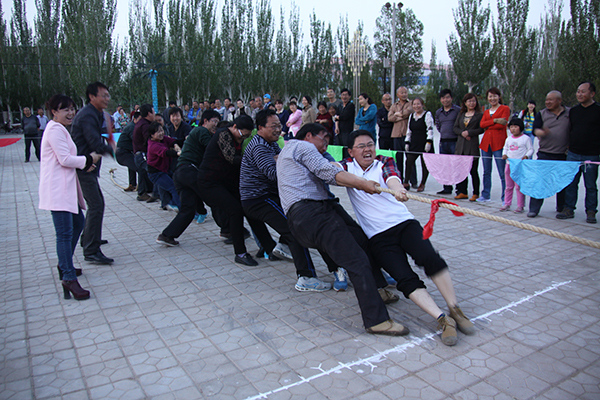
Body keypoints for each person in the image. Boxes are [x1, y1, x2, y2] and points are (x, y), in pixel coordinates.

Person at [338, 130, 475, 345]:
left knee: (430, 258)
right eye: (361, 146)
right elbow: (331, 171)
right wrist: (361, 182)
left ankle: (455, 309)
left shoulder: (384, 161)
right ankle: (442, 319)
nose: (367, 149)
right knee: (404, 278)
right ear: (351, 151)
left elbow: (392, 178)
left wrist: (398, 188)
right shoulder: (346, 166)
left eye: (370, 144)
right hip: (378, 237)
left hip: (404, 224)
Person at [276, 123, 409, 336]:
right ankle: (376, 320)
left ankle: (378, 289)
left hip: (320, 209)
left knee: (361, 240)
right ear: (309, 136)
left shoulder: (290, 150)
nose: (326, 143)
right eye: (324, 138)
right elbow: (329, 172)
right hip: (311, 212)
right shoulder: (302, 146)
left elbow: (331, 167)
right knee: (356, 259)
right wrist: (362, 183)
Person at [240, 109, 332, 291]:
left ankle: (283, 245)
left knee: (296, 218)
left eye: (279, 125)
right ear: (260, 128)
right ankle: (306, 277)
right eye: (273, 126)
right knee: (295, 230)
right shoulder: (259, 146)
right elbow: (275, 173)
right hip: (258, 199)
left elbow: (283, 160)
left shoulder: (271, 143)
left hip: (269, 195)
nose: (278, 129)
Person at [39, 94, 102, 300]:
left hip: (66, 188)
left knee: (77, 224)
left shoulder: (59, 128)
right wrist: (88, 159)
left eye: (72, 109)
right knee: (64, 233)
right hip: (57, 190)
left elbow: (66, 158)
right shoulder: (54, 130)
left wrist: (84, 164)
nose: (71, 113)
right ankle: (68, 277)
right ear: (54, 112)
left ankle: (64, 263)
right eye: (65, 109)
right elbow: (65, 159)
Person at [197, 115, 263, 266]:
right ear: (234, 127)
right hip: (209, 182)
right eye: (242, 135)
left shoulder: (236, 137)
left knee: (249, 206)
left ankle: (267, 246)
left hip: (226, 182)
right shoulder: (224, 134)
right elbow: (232, 158)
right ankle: (240, 253)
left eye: (246, 136)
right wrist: (256, 162)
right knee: (235, 211)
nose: (242, 139)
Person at [157, 110, 222, 246]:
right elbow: (213, 149)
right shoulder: (202, 131)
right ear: (205, 121)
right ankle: (229, 230)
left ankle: (167, 235)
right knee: (215, 198)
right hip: (190, 171)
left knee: (188, 209)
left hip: (181, 173)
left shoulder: (197, 132)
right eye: (214, 121)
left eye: (218, 122)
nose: (216, 124)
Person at [70, 82, 115, 265]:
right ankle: (91, 250)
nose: (107, 99)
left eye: (107, 95)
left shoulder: (95, 113)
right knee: (96, 205)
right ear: (92, 97)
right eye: (103, 95)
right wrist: (113, 150)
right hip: (84, 167)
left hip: (89, 165)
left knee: (96, 204)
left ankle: (88, 238)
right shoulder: (87, 115)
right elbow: (94, 142)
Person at [557, 82, 600, 223]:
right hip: (573, 153)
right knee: (571, 183)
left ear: (592, 94)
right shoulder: (574, 111)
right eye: (578, 91)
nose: (579, 94)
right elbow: (570, 130)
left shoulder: (598, 110)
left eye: (583, 91)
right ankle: (569, 209)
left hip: (591, 154)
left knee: (591, 185)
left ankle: (591, 211)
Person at [528, 91, 570, 218]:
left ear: (559, 101)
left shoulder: (569, 113)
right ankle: (534, 209)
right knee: (540, 182)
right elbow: (535, 129)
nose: (548, 102)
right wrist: (541, 132)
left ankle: (562, 207)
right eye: (546, 100)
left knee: (562, 182)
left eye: (551, 100)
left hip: (563, 154)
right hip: (545, 153)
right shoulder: (542, 113)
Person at [478, 87, 510, 203]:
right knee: (486, 171)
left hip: (499, 143)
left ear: (499, 97)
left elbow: (502, 125)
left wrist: (489, 124)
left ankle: (505, 197)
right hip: (486, 144)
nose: (492, 98)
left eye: (495, 96)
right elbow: (482, 124)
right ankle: (485, 194)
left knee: (503, 172)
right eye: (490, 96)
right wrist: (495, 120)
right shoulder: (486, 111)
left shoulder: (505, 108)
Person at [454, 93, 484, 201]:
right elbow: (455, 127)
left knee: (473, 171)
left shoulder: (479, 115)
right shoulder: (461, 114)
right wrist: (462, 133)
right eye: (469, 101)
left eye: (473, 101)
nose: (471, 103)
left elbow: (481, 129)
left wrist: (469, 132)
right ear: (465, 103)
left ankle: (476, 193)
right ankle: (462, 192)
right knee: (461, 171)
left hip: (472, 146)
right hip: (461, 146)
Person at [147, 122, 182, 211]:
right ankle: (182, 209)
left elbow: (171, 141)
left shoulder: (162, 139)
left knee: (175, 186)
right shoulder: (153, 145)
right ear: (152, 135)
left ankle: (169, 204)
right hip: (156, 173)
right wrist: (178, 153)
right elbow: (165, 152)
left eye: (161, 130)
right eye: (158, 132)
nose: (161, 133)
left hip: (164, 170)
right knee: (173, 187)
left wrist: (175, 145)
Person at [500, 119, 533, 213]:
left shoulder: (526, 138)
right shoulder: (508, 139)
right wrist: (504, 154)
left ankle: (520, 205)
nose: (513, 129)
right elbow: (505, 148)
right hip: (509, 165)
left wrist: (526, 156)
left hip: (519, 166)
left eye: (515, 127)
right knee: (508, 186)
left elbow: (530, 149)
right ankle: (507, 203)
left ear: (521, 127)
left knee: (519, 186)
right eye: (511, 127)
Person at [388, 86, 416, 187]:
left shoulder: (411, 104)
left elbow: (409, 112)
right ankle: (400, 179)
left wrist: (397, 115)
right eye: (402, 93)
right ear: (397, 95)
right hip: (396, 134)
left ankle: (413, 181)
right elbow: (390, 118)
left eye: (405, 92)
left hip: (407, 135)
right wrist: (402, 116)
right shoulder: (394, 105)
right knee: (398, 158)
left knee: (410, 159)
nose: (404, 94)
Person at [404, 97, 434, 192]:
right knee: (409, 162)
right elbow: (409, 130)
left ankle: (422, 183)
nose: (416, 106)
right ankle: (406, 182)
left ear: (422, 105)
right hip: (414, 142)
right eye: (414, 104)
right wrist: (407, 141)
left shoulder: (427, 114)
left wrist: (429, 142)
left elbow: (430, 129)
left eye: (418, 104)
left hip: (424, 142)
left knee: (424, 164)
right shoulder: (411, 116)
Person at [435, 89, 461, 195]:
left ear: (451, 98)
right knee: (445, 166)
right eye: (443, 98)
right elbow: (438, 126)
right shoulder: (438, 112)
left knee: (457, 166)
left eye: (447, 97)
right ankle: (447, 188)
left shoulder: (458, 110)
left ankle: (459, 189)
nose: (445, 100)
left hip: (455, 141)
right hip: (443, 141)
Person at [133, 104, 158, 202]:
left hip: (138, 154)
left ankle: (142, 193)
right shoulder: (145, 125)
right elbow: (149, 141)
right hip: (142, 154)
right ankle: (156, 193)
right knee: (154, 170)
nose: (154, 114)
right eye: (153, 112)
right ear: (149, 113)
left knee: (142, 173)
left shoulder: (141, 123)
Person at [116, 111, 142, 192]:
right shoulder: (132, 128)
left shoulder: (134, 126)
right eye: (140, 120)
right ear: (134, 119)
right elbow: (136, 141)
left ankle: (132, 184)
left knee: (132, 165)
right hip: (122, 153)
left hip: (126, 152)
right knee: (140, 168)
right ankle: (142, 191)